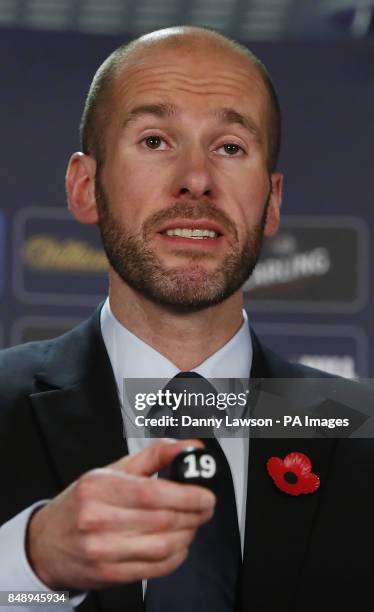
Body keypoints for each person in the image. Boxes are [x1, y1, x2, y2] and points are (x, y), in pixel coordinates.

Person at [0, 25, 373, 612]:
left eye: (229, 147)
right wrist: (32, 565)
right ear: (85, 188)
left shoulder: (358, 427)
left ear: (272, 202)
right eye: (155, 141)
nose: (196, 179)